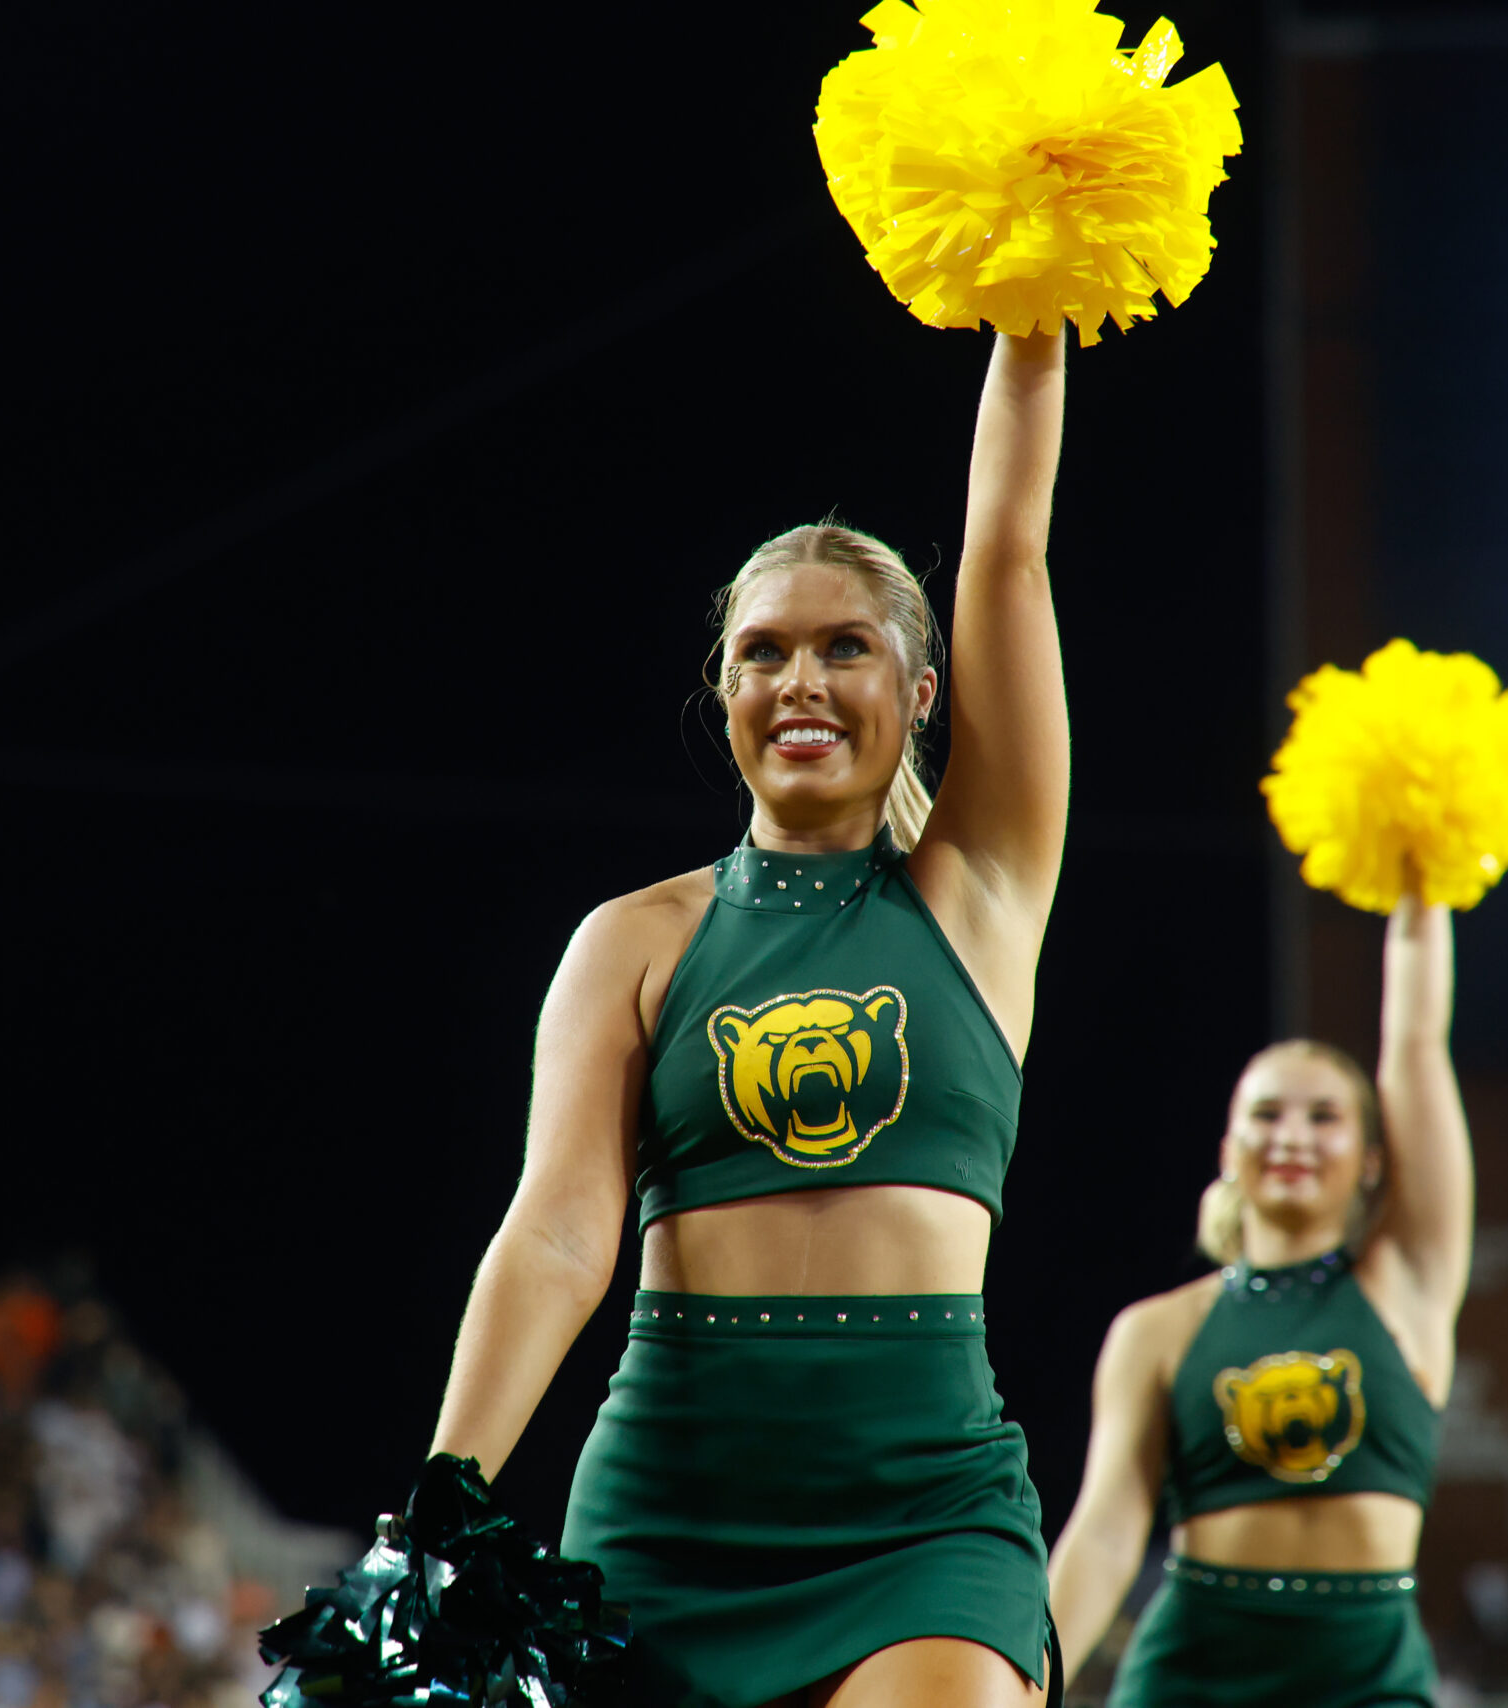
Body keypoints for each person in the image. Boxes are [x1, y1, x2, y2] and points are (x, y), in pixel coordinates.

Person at [424, 328, 1070, 1708]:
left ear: (920, 690)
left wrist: (1029, 325)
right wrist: (442, 1499)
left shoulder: (981, 890)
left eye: (848, 648)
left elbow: (1007, 551)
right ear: (721, 692)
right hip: (669, 1507)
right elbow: (552, 1233)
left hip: (924, 1511)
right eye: (762, 653)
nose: (803, 684)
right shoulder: (634, 941)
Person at [1047, 896, 1470, 1707]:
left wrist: (1422, 886)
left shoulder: (1407, 1288)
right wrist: (1031, 1686)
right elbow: (1105, 1531)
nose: (1292, 1137)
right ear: (1228, 1152)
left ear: (1375, 1159)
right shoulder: (1157, 1330)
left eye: (1325, 1117)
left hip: (1367, 1675)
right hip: (1193, 1670)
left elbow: (1417, 1046)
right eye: (1266, 1115)